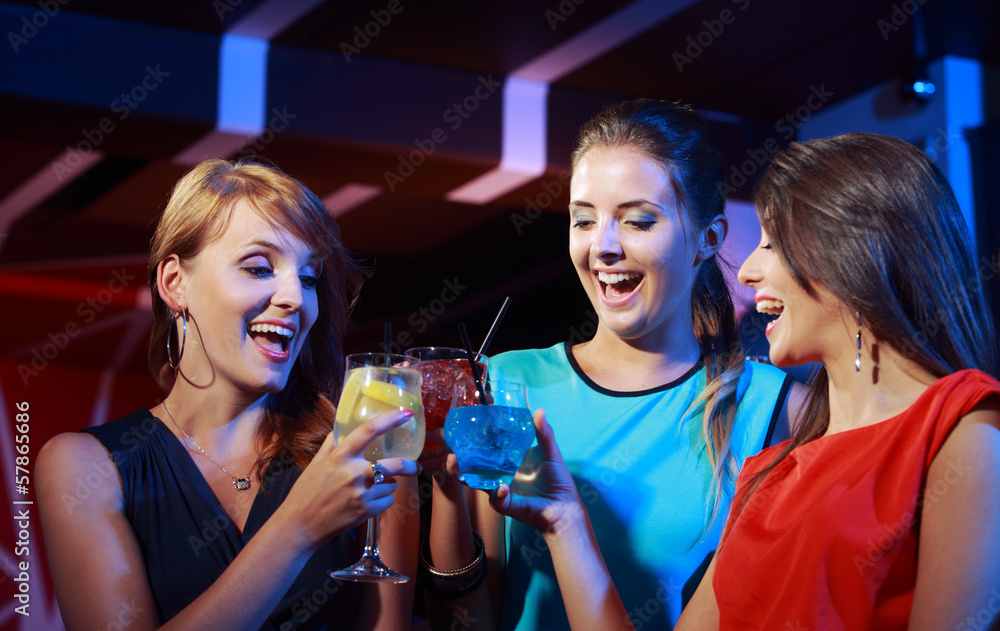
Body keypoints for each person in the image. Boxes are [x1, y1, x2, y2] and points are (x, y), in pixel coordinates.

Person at [484, 132, 1000, 631]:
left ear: (858, 256)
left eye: (773, 244)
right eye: (583, 221)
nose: (748, 271)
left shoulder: (964, 426)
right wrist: (566, 522)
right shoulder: (768, 475)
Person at [421, 99, 803, 630]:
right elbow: (468, 624)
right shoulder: (506, 382)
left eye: (638, 221)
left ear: (707, 240)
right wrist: (446, 492)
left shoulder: (773, 407)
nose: (602, 246)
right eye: (583, 221)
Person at [36, 158, 421, 631]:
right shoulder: (85, 466)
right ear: (175, 283)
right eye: (260, 268)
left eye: (308, 278)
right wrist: (298, 527)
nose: (295, 299)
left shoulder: (363, 454)